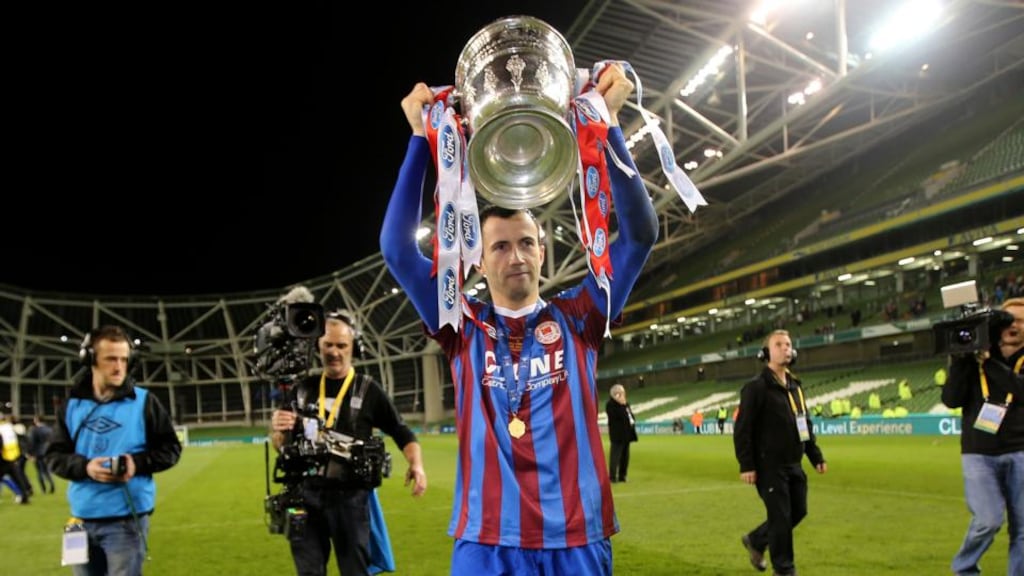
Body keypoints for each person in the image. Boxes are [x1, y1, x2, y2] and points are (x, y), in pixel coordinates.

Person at [381, 62, 657, 575]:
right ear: (479, 262)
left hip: (577, 538)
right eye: (501, 247)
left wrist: (611, 126)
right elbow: (396, 249)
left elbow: (640, 235)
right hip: (486, 543)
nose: (516, 257)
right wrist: (420, 137)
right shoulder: (459, 325)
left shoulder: (581, 315)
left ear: (543, 252)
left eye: (526, 243)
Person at [270, 309, 427, 576]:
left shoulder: (369, 390)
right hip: (306, 494)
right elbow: (280, 444)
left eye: (341, 345)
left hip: (350, 499)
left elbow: (402, 433)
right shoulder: (303, 388)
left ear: (353, 348)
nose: (334, 352)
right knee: (308, 572)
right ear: (318, 345)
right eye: (328, 344)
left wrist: (417, 465)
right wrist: (278, 429)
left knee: (354, 570)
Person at [45, 325, 182, 576]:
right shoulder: (71, 406)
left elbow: (171, 449)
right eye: (110, 359)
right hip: (81, 520)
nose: (119, 366)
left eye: (124, 359)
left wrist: (136, 464)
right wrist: (86, 467)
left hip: (126, 521)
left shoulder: (144, 401)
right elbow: (54, 457)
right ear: (90, 360)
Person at [941, 297, 1024, 576]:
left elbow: (1019, 388)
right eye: (1009, 319)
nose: (1014, 326)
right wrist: (962, 361)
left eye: (1021, 321)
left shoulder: (995, 361)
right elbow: (951, 400)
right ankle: (964, 568)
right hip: (979, 453)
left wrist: (988, 364)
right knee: (987, 520)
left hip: (1021, 450)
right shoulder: (973, 356)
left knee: (1023, 528)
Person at [734, 329, 826, 576]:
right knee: (781, 517)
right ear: (766, 353)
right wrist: (747, 465)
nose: (785, 348)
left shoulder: (796, 387)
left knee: (798, 510)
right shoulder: (756, 388)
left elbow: (804, 423)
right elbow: (742, 429)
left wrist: (815, 455)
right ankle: (784, 569)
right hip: (769, 466)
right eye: (779, 344)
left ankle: (756, 540)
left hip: (794, 463)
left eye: (788, 344)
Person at [605, 383, 638, 484]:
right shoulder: (610, 405)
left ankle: (622, 476)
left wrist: (625, 406)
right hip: (617, 435)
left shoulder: (626, 404)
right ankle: (612, 477)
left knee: (625, 456)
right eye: (620, 393)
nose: (622, 395)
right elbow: (619, 416)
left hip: (626, 434)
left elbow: (630, 416)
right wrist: (622, 405)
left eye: (623, 393)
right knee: (615, 456)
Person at [29, 415, 56, 494]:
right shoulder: (49, 429)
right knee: (47, 470)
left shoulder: (35, 430)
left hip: (38, 453)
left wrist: (31, 453)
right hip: (47, 452)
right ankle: (52, 485)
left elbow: (32, 442)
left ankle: (43, 489)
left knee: (40, 471)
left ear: (37, 420)